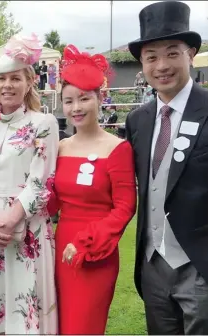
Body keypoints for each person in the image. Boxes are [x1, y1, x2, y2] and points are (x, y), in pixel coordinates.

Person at [0, 33, 59, 334]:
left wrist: (11, 219)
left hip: (26, 227)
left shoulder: (44, 124)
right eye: (1, 79)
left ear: (29, 81)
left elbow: (41, 181)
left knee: (22, 302)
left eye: (15, 78)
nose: (7, 85)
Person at [126, 1, 208, 334]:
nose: (162, 65)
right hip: (153, 266)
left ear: (190, 54)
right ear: (142, 63)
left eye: (172, 53)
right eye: (151, 57)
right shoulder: (137, 121)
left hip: (199, 266)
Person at [47, 44, 137, 334]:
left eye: (84, 99)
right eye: (69, 100)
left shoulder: (118, 148)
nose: (76, 108)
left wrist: (88, 242)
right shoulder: (59, 147)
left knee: (82, 326)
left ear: (100, 99)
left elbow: (124, 207)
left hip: (95, 253)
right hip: (58, 250)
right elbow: (50, 203)